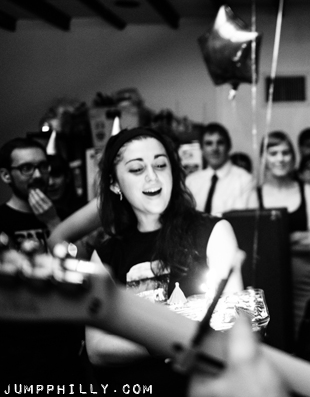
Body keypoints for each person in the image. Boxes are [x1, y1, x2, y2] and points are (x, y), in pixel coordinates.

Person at [85, 127, 243, 394]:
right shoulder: (105, 255)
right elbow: (97, 349)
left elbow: (233, 323)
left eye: (160, 165)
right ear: (114, 184)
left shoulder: (213, 232)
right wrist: (167, 339)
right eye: (137, 169)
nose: (152, 176)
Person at [0, 137, 86, 386]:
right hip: (16, 351)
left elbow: (82, 264)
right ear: (6, 175)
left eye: (43, 166)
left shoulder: (64, 217)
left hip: (67, 348)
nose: (38, 175)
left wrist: (52, 222)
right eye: (27, 168)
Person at [254, 131, 310, 361]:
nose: (280, 158)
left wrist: (276, 238)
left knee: (306, 342)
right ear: (264, 159)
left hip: (305, 281)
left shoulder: (307, 190)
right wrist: (295, 238)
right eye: (273, 153)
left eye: (285, 153)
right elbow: (254, 245)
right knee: (272, 344)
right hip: (268, 282)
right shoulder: (254, 194)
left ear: (293, 157)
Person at [186, 122, 256, 216]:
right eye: (209, 143)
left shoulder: (245, 180)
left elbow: (250, 220)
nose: (214, 148)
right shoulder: (191, 182)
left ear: (228, 146)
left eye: (220, 143)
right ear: (202, 149)